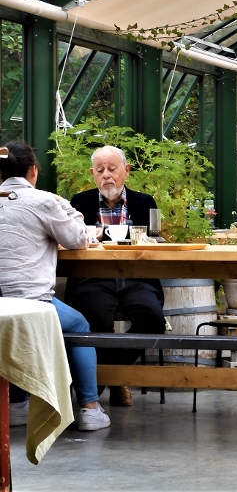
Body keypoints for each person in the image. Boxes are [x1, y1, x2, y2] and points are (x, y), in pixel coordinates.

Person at [0, 140, 110, 431]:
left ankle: (17, 404)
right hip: (31, 302)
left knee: (13, 329)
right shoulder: (44, 201)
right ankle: (89, 408)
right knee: (79, 325)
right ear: (33, 171)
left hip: (1, 305)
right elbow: (78, 239)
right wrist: (66, 206)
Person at [66, 145, 166, 407]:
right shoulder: (79, 202)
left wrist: (105, 235)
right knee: (94, 317)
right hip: (94, 277)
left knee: (152, 319)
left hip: (136, 278)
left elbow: (155, 239)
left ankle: (112, 375)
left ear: (126, 170)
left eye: (112, 169)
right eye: (100, 170)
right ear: (92, 174)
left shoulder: (144, 202)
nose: (106, 175)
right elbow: (72, 239)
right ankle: (112, 383)